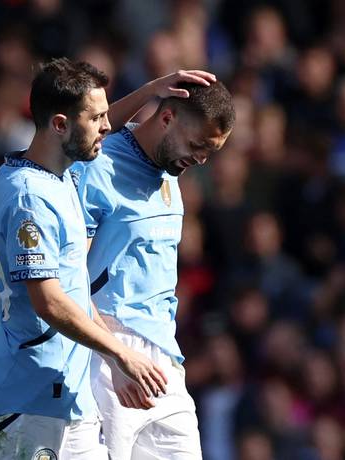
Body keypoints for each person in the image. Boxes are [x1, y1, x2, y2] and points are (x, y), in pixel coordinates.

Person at [0, 58, 214, 460]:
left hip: (72, 397)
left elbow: (96, 131)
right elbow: (49, 301)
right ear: (59, 125)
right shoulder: (28, 195)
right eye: (99, 118)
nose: (110, 126)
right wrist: (119, 353)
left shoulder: (63, 179)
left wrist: (150, 90)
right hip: (32, 393)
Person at [73, 80, 235, 459]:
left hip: (165, 360)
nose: (201, 160)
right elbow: (69, 273)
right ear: (166, 117)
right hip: (107, 353)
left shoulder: (169, 171)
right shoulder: (99, 167)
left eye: (211, 152)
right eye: (198, 146)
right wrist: (114, 357)